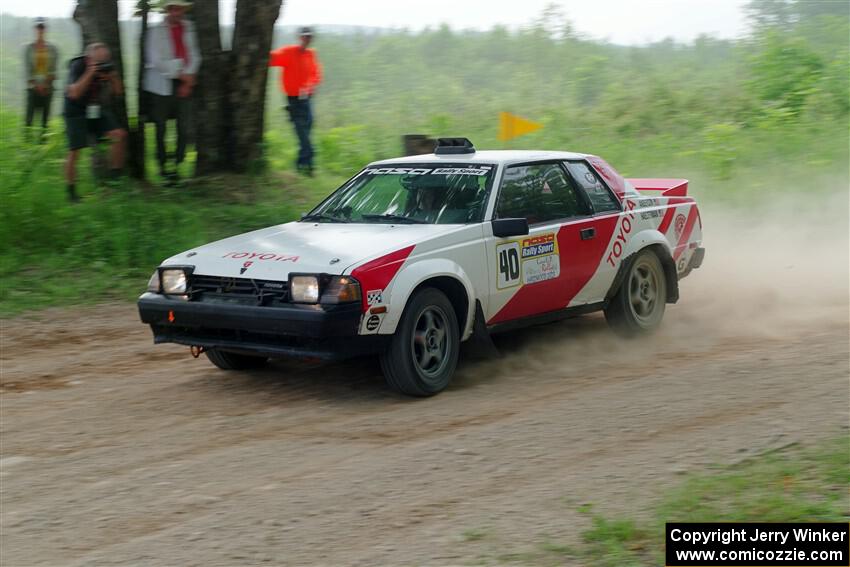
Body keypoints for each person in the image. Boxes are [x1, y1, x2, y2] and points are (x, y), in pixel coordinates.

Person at [143, 0, 200, 184]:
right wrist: (181, 74)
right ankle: (162, 167)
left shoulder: (189, 27)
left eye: (180, 9)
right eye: (173, 9)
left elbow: (195, 55)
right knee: (161, 127)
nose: (177, 12)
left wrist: (188, 79)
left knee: (184, 126)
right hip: (161, 84)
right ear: (168, 10)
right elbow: (156, 60)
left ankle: (177, 164)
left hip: (184, 82)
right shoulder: (156, 30)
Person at [63, 43, 127, 202]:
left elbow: (119, 92)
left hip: (95, 108)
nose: (103, 63)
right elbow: (74, 94)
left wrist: (112, 77)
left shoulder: (107, 67)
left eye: (106, 59)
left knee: (119, 135)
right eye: (99, 60)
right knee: (75, 150)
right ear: (89, 58)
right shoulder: (77, 66)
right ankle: (72, 194)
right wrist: (91, 72)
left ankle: (114, 183)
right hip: (75, 110)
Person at [269, 26, 322, 175]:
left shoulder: (311, 54)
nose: (307, 39)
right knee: (303, 134)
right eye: (305, 36)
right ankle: (309, 165)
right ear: (300, 37)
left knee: (307, 130)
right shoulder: (288, 52)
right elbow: (271, 59)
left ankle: (300, 164)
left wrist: (309, 86)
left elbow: (316, 74)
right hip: (294, 101)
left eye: (310, 37)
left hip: (307, 100)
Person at [23, 17, 59, 140]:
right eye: (38, 27)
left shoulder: (53, 48)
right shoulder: (29, 48)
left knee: (45, 122)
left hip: (48, 89)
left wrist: (45, 85)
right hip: (32, 89)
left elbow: (54, 70)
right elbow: (28, 70)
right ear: (35, 29)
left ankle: (42, 149)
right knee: (29, 120)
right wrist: (37, 86)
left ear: (45, 29)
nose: (40, 30)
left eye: (42, 27)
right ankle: (26, 148)